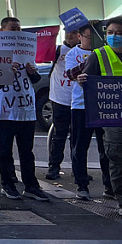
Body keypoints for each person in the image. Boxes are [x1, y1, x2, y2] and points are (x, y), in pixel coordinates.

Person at [0, 16, 50, 202]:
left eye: (19, 29)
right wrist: (6, 71)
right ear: (2, 31)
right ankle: (7, 184)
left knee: (27, 150)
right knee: (5, 149)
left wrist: (32, 73)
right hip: (5, 108)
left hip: (26, 108)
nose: (16, 32)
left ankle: (31, 185)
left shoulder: (26, 51)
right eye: (12, 29)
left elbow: (32, 81)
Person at [76, 16, 122, 216]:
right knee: (118, 158)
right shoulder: (99, 55)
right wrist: (82, 81)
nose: (113, 36)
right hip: (113, 119)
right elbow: (89, 84)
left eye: (118, 33)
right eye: (110, 33)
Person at [66, 22, 112, 199]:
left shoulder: (107, 53)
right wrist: (89, 60)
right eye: (88, 37)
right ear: (80, 37)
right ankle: (81, 184)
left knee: (106, 147)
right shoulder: (73, 54)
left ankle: (109, 185)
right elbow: (70, 74)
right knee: (80, 146)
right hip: (81, 106)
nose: (91, 41)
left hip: (102, 105)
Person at [46, 28, 80, 181]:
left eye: (74, 32)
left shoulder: (86, 50)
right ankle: (54, 167)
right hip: (60, 98)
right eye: (67, 31)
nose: (69, 35)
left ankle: (78, 168)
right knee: (59, 135)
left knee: (77, 137)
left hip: (78, 101)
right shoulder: (58, 50)